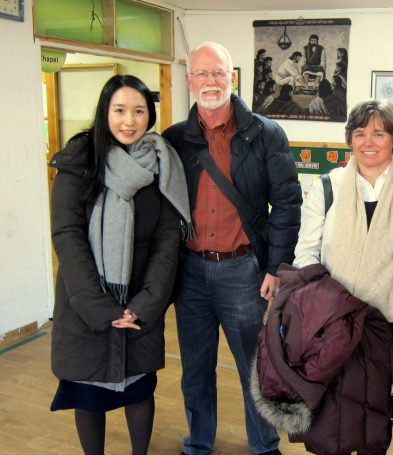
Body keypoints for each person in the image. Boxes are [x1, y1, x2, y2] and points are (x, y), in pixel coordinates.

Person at [162, 42, 302, 455]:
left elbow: (287, 203)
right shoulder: (174, 139)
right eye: (202, 74)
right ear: (189, 81)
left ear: (232, 78)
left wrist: (277, 266)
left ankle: (264, 445)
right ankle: (198, 441)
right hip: (190, 272)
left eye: (218, 73)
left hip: (243, 271)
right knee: (195, 369)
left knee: (253, 368)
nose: (210, 82)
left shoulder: (265, 134)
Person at [49, 74, 192, 455]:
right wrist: (100, 307)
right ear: (105, 112)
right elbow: (67, 235)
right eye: (120, 110)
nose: (129, 121)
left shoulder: (161, 162)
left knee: (139, 389)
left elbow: (167, 240)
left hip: (140, 299)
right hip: (86, 303)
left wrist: (145, 303)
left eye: (139, 111)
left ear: (150, 116)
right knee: (88, 393)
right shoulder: (79, 160)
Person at [294, 99, 393, 454]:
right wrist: (325, 302)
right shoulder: (329, 185)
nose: (368, 142)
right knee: (334, 399)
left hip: (392, 316)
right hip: (335, 317)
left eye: (379, 133)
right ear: (349, 139)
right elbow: (306, 253)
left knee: (379, 398)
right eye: (360, 133)